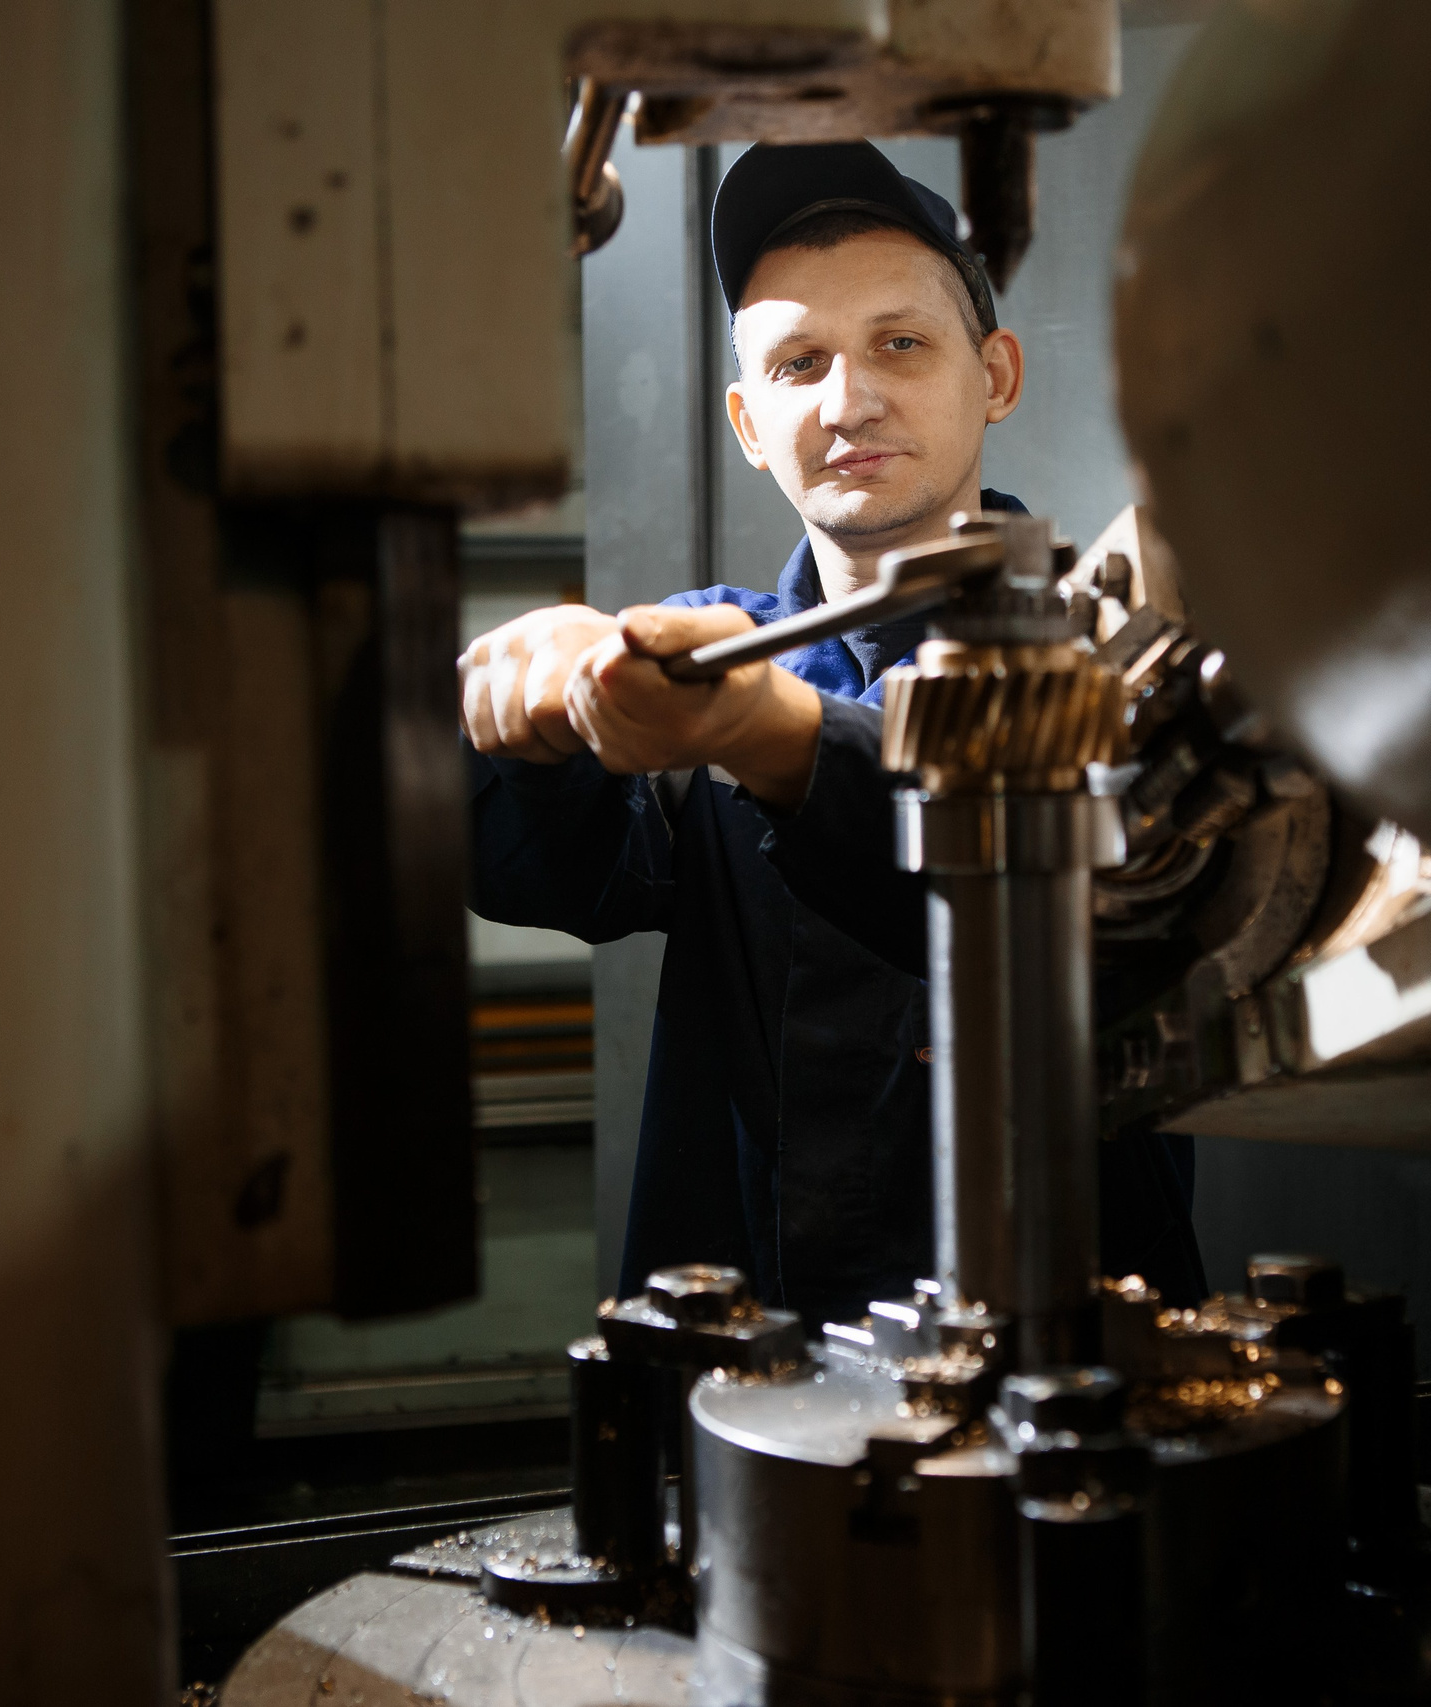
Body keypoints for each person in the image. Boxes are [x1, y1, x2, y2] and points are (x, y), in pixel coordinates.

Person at [460, 142, 1202, 1329]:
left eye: (899, 344)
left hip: (1070, 1360)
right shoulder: (706, 650)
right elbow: (544, 870)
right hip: (743, 1371)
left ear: (995, 373)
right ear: (751, 424)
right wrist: (531, 727)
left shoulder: (1118, 641)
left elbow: (1048, 882)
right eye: (799, 363)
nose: (848, 401)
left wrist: (778, 739)